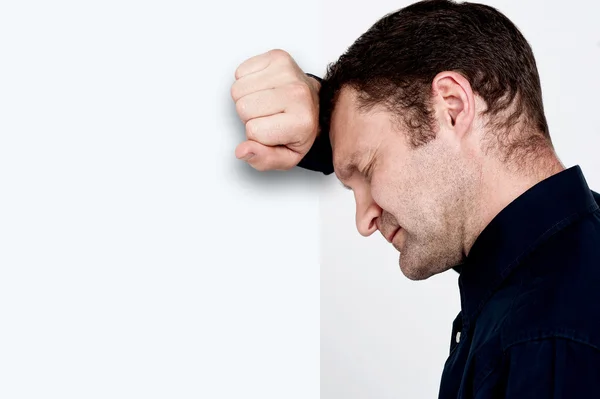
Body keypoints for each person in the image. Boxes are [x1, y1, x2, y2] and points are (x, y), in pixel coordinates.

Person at [230, 0, 600, 397]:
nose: (363, 222)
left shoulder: (545, 344)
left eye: (368, 170)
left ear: (452, 107)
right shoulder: (569, 273)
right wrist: (325, 119)